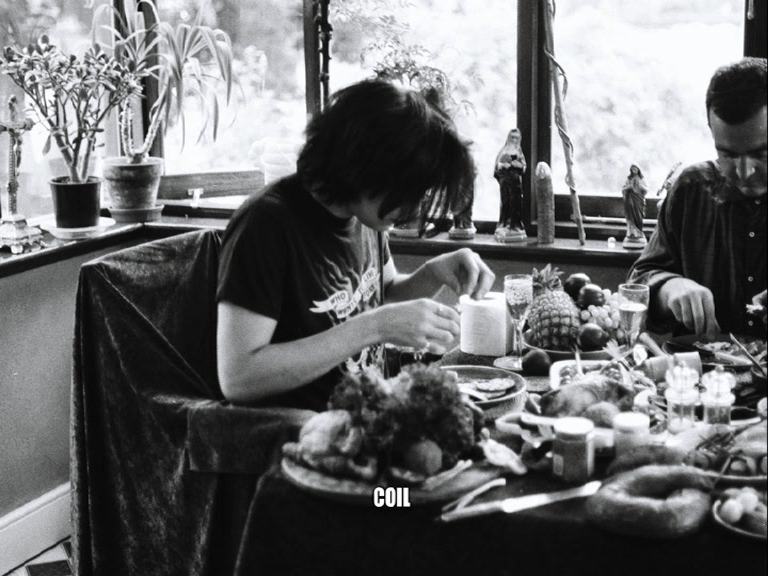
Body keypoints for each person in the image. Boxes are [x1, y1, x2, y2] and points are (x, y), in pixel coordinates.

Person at [216, 79, 495, 410]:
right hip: (302, 429)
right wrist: (375, 327)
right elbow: (239, 377)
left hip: (370, 413)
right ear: (367, 167)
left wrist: (434, 273)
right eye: (410, 191)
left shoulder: (361, 214)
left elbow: (382, 294)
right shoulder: (266, 224)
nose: (416, 208)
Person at [628, 57, 767, 338]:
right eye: (727, 154)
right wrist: (670, 287)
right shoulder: (691, 189)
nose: (744, 172)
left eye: (761, 153)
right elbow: (638, 281)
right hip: (694, 366)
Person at [493, 127, 527, 242]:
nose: (514, 140)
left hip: (516, 184)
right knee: (506, 203)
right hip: (505, 183)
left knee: (516, 204)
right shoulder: (503, 151)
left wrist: (517, 165)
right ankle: (504, 224)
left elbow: (523, 167)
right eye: (512, 137)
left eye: (517, 138)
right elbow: (497, 167)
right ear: (508, 138)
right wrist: (502, 166)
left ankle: (515, 225)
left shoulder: (519, 152)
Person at [621, 164, 648, 248]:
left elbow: (646, 189)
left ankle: (638, 233)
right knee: (630, 216)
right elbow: (623, 189)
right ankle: (631, 233)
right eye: (632, 169)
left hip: (638, 201)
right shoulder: (628, 179)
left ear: (638, 170)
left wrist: (640, 186)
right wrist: (628, 187)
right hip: (630, 201)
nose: (634, 171)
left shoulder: (642, 179)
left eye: (635, 169)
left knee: (638, 217)